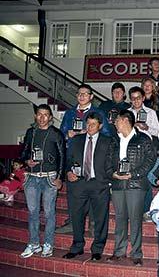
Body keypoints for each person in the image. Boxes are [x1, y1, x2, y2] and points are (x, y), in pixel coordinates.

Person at [57, 83, 110, 234]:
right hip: (74, 155)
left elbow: (106, 133)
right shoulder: (69, 113)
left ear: (91, 96)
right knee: (74, 191)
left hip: (92, 155)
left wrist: (91, 132)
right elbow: (61, 133)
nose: (82, 96)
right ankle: (73, 222)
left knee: (93, 190)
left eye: (85, 94)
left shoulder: (98, 112)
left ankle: (93, 223)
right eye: (79, 94)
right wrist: (68, 135)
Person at [106, 110, 156, 265]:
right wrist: (113, 174)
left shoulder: (143, 138)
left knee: (135, 220)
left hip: (135, 185)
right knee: (120, 219)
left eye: (117, 120)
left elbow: (150, 159)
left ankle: (136, 253)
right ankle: (119, 251)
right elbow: (107, 161)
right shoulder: (114, 140)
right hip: (118, 184)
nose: (114, 123)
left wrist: (133, 174)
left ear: (125, 120)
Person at [62, 112, 114, 261]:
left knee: (100, 219)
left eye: (93, 124)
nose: (90, 127)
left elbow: (112, 163)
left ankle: (97, 249)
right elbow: (68, 160)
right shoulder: (77, 140)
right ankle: (77, 246)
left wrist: (107, 180)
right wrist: (68, 172)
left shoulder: (108, 141)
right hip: (78, 184)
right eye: (88, 124)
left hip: (99, 185)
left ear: (100, 126)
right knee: (77, 217)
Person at [20, 104, 65, 258]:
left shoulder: (56, 133)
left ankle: (48, 244)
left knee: (48, 213)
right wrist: (27, 161)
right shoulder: (30, 132)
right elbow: (23, 152)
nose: (42, 117)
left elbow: (62, 157)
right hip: (31, 178)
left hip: (49, 178)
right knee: (32, 212)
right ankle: (33, 244)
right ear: (35, 116)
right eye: (39, 114)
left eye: (46, 115)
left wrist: (59, 178)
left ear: (50, 117)